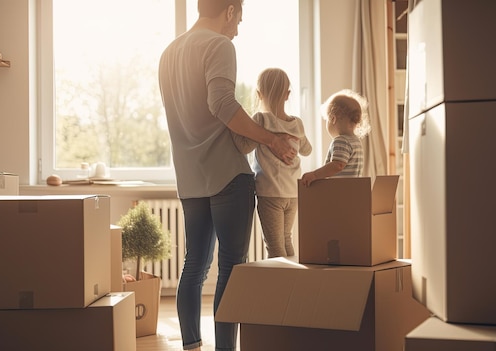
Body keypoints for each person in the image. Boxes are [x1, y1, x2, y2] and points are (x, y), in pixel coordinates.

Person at [158, 1, 297, 350]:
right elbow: (221, 103)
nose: (237, 29)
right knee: (232, 267)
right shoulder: (220, 45)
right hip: (227, 176)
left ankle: (191, 344)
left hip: (190, 177)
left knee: (194, 265)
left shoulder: (169, 53)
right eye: (239, 20)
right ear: (231, 10)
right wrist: (271, 138)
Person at [233, 68, 312, 258]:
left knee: (274, 246)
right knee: (286, 239)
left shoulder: (261, 119)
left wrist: (233, 127)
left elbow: (244, 147)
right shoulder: (297, 124)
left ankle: (281, 286)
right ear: (287, 94)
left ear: (259, 94)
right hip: (293, 193)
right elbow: (307, 150)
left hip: (270, 193)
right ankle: (293, 283)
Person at [300, 89, 370, 187]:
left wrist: (315, 175)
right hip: (353, 190)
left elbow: (338, 165)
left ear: (333, 119)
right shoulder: (356, 142)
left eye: (327, 119)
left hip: (340, 192)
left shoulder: (341, 141)